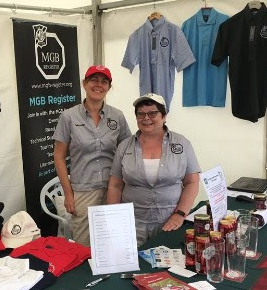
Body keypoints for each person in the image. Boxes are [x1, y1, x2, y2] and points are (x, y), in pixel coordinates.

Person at [107, 93, 200, 247]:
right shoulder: (124, 146)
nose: (146, 118)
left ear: (164, 116)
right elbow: (115, 185)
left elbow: (192, 182)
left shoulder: (182, 144)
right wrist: (114, 218)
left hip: (171, 221)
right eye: (141, 114)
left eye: (152, 113)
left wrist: (180, 214)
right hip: (132, 223)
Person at [53, 65, 131, 246]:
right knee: (84, 245)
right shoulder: (68, 117)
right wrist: (68, 195)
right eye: (94, 80)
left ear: (109, 87)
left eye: (104, 81)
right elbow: (59, 157)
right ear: (84, 84)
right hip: (83, 191)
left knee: (113, 241)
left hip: (114, 189)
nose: (99, 85)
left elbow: (127, 152)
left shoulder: (117, 116)